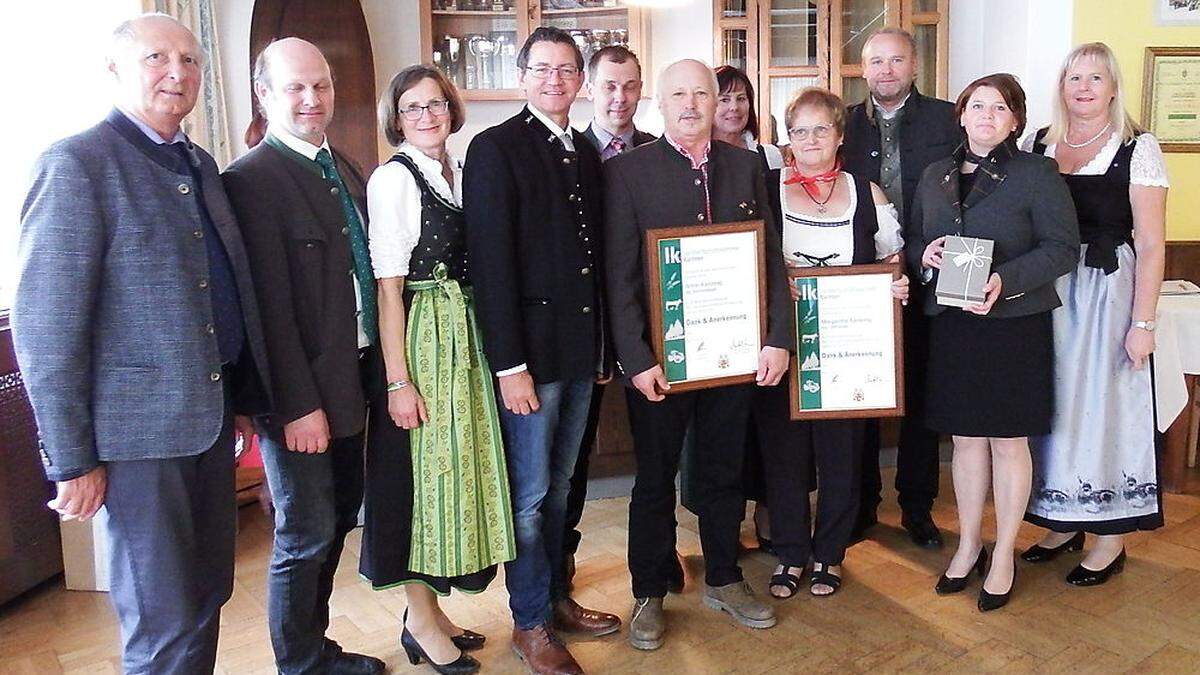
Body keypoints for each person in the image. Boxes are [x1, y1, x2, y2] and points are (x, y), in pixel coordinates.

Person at [12, 13, 270, 673]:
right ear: (116, 71)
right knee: (161, 618)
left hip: (208, 427)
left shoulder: (200, 163)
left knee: (208, 593)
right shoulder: (77, 164)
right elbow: (48, 328)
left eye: (189, 60)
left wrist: (240, 399)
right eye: (157, 57)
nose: (177, 73)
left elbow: (222, 294)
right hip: (136, 443)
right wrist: (71, 459)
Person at [604, 59, 793, 651]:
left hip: (733, 359)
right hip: (661, 363)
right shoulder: (629, 172)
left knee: (722, 470)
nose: (691, 104)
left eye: (702, 94)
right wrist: (636, 359)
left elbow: (771, 257)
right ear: (659, 103)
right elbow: (620, 274)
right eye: (678, 94)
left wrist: (778, 337)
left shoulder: (746, 166)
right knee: (655, 479)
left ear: (719, 101)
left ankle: (724, 576)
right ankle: (649, 591)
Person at [223, 38, 385, 674]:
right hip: (302, 402)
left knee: (339, 520)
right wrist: (295, 407)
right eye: (295, 87)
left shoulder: (343, 166)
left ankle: (317, 647)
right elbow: (265, 315)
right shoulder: (250, 182)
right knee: (304, 533)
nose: (312, 98)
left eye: (321, 84)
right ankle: (299, 663)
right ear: (265, 95)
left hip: (354, 384)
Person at [463, 26, 621, 675]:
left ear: (579, 81)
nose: (555, 80)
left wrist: (604, 346)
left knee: (562, 489)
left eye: (566, 70)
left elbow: (594, 259)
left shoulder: (583, 149)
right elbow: (490, 264)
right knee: (528, 497)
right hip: (528, 361)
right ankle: (528, 622)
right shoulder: (493, 148)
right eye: (543, 69)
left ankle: (556, 597)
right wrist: (508, 365)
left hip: (580, 353)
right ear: (522, 76)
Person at [359, 64, 518, 675]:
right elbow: (389, 289)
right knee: (418, 481)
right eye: (411, 109)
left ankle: (432, 613)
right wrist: (398, 380)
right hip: (424, 337)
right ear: (396, 120)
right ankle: (419, 619)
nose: (425, 117)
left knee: (451, 479)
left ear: (451, 109)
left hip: (465, 338)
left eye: (434, 105)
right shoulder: (393, 179)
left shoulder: (453, 171)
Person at [913, 73, 1079, 612]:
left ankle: (1003, 552)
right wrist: (927, 256)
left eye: (999, 108)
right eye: (976, 105)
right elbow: (916, 239)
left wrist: (1005, 280)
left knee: (1009, 443)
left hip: (1013, 326)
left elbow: (1062, 249)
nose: (986, 115)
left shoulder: (1037, 173)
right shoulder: (935, 175)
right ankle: (967, 544)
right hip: (955, 326)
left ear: (1014, 121)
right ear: (961, 114)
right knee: (964, 441)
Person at [1022, 42, 1169, 586]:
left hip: (1108, 292)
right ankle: (1062, 518)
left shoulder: (1138, 147)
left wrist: (1143, 322)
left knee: (1102, 408)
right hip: (1049, 288)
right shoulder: (1040, 143)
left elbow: (1152, 245)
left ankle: (1110, 535)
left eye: (1095, 78)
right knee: (1055, 403)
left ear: (1112, 87)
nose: (1083, 87)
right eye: (1073, 77)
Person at [755, 87, 908, 599]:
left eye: (822, 128)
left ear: (840, 135)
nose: (811, 139)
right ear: (787, 138)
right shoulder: (764, 188)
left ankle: (830, 555)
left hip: (848, 342)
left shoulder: (868, 193)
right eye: (800, 130)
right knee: (785, 454)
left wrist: (896, 282)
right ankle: (791, 553)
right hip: (784, 342)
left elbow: (892, 258)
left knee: (843, 454)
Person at [842, 27, 961, 548]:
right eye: (876, 61)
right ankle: (862, 503)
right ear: (862, 69)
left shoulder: (945, 119)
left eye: (896, 60)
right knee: (862, 393)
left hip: (930, 276)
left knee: (922, 395)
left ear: (915, 66)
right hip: (860, 282)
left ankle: (917, 506)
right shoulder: (844, 123)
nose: (886, 70)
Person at [568, 44, 679, 592]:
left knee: (656, 460)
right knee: (573, 464)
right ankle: (558, 579)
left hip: (648, 337)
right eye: (609, 85)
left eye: (630, 86)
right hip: (586, 337)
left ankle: (660, 559)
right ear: (590, 88)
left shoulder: (661, 154)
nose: (619, 97)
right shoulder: (572, 152)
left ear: (642, 91)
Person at [712, 65, 761, 150]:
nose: (734, 107)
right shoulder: (691, 157)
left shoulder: (770, 156)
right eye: (724, 100)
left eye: (741, 98)